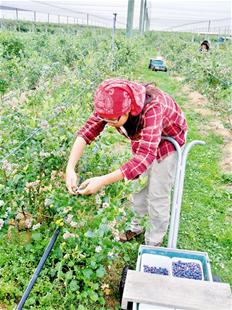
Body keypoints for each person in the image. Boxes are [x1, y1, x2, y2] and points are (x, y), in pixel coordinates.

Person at [65, 78, 188, 246]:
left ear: (129, 110)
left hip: (169, 140)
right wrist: (70, 168)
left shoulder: (153, 107)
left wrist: (102, 181)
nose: (108, 124)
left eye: (113, 120)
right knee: (137, 186)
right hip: (144, 137)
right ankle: (135, 227)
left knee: (158, 193)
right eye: (105, 119)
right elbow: (87, 132)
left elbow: (145, 156)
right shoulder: (110, 103)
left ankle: (154, 241)